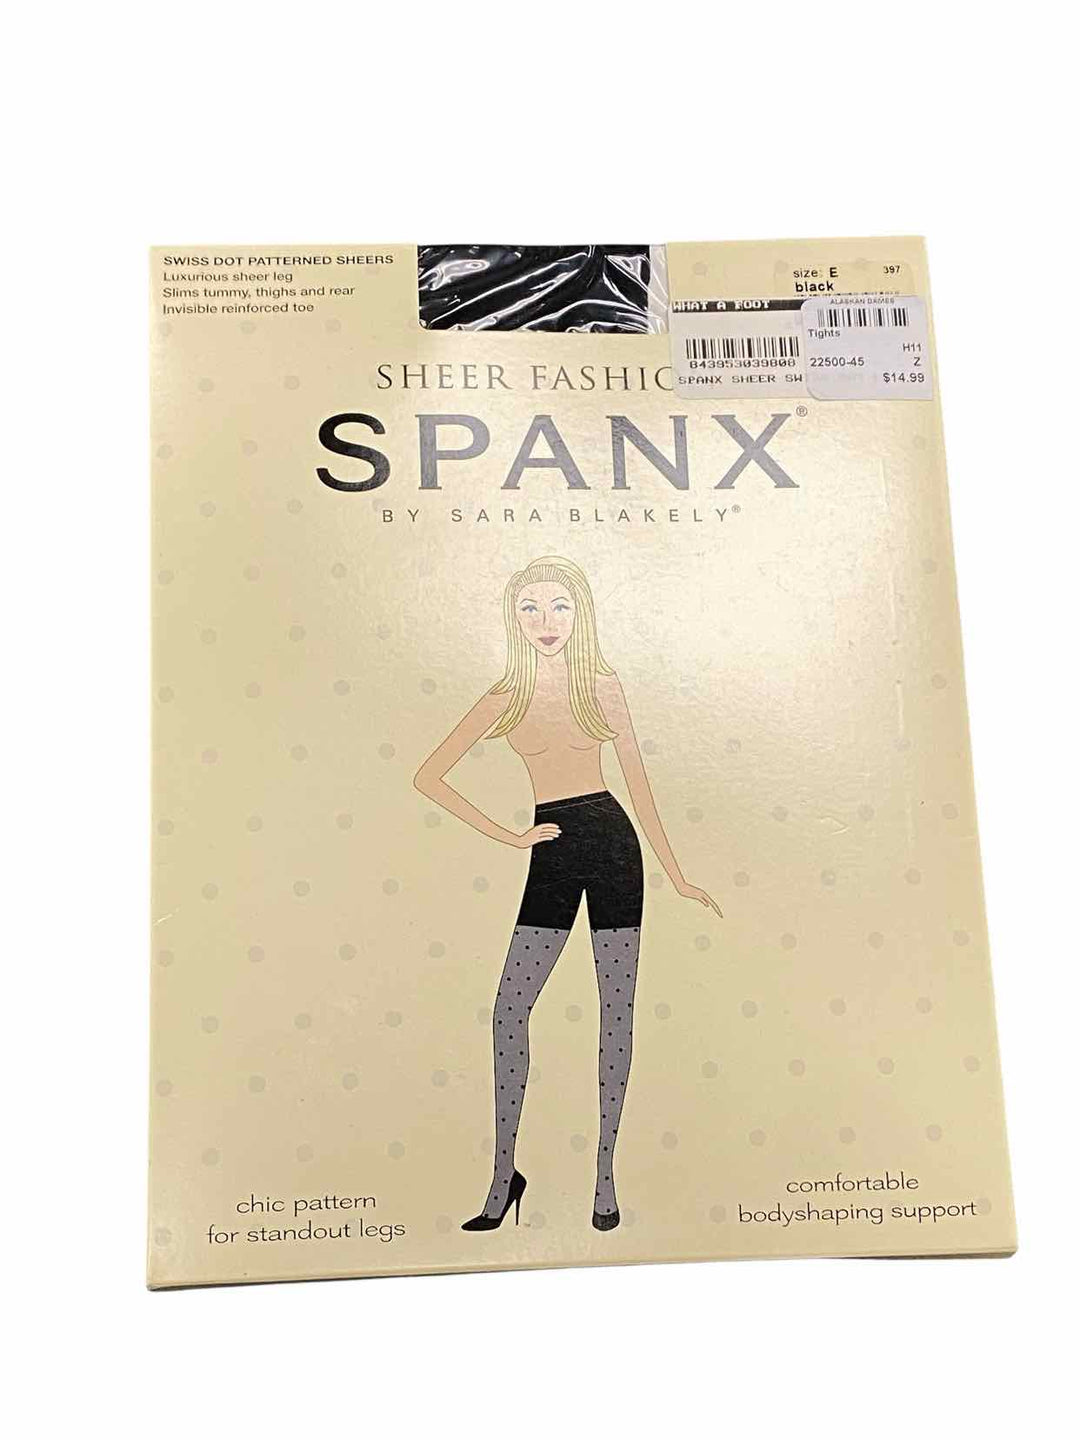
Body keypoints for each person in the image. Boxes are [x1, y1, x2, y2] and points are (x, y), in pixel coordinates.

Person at [414, 556, 721, 1232]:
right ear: (512, 618)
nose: (546, 621)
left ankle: (604, 1176)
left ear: (581, 614)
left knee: (616, 1013)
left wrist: (675, 873)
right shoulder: (505, 695)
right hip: (551, 848)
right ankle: (504, 1176)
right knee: (509, 1011)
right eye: (530, 607)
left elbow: (638, 782)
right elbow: (429, 775)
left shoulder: (603, 686)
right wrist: (508, 835)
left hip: (613, 845)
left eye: (559, 606)